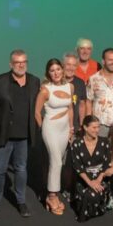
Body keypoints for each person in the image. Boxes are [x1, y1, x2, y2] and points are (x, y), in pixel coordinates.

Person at [0, 49, 41, 218]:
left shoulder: (34, 81)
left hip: (24, 135)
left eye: (24, 61)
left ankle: (21, 201)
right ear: (11, 64)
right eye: (17, 62)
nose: (21, 65)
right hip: (5, 134)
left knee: (21, 169)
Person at [35, 59, 74, 215]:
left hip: (65, 130)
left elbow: (70, 108)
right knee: (56, 161)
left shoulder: (69, 86)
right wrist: (43, 129)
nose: (56, 73)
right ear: (48, 73)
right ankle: (52, 197)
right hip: (50, 128)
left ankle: (53, 194)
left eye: (58, 69)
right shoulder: (45, 90)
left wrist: (71, 128)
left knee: (58, 162)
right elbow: (37, 113)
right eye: (52, 70)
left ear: (63, 70)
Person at [70, 115, 111, 223]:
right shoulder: (77, 144)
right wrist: (89, 182)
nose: (97, 130)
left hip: (100, 177)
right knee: (87, 194)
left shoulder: (104, 142)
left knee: (92, 194)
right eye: (94, 127)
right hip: (84, 178)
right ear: (85, 127)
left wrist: (98, 180)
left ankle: (91, 211)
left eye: (98, 127)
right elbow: (77, 166)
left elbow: (106, 163)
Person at [61, 52, 87, 201]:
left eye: (73, 65)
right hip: (58, 128)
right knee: (57, 160)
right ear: (63, 65)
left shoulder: (79, 83)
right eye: (68, 64)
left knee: (71, 162)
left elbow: (82, 104)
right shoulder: (57, 81)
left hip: (75, 128)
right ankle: (51, 189)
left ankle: (68, 189)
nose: (71, 68)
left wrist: (82, 125)